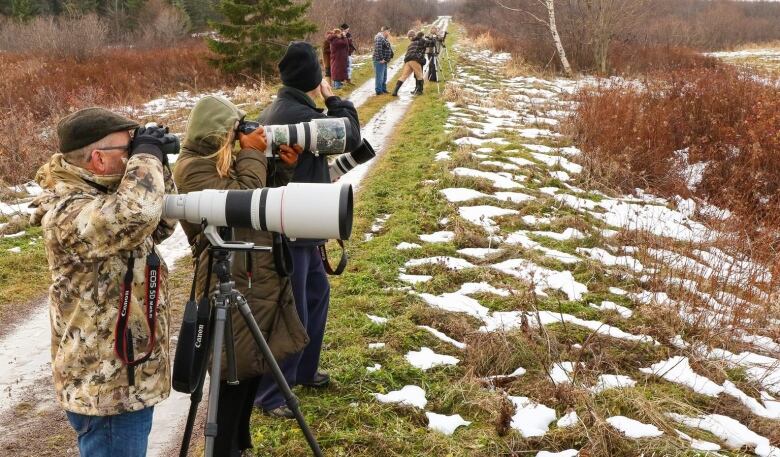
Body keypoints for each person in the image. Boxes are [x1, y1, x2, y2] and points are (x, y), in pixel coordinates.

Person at [30, 107, 177, 457]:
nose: (131, 159)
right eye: (125, 152)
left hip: (126, 371)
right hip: (106, 386)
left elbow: (159, 222)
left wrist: (156, 161)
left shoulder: (104, 193)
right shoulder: (67, 209)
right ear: (98, 158)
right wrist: (146, 156)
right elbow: (135, 214)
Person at [172, 95, 310, 451]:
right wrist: (251, 152)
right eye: (234, 132)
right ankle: (223, 448)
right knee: (232, 373)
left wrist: (282, 167)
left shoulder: (223, 160)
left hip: (254, 273)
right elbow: (244, 204)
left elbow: (265, 202)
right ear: (216, 132)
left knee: (253, 366)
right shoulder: (191, 167)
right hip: (227, 277)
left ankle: (239, 443)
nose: (239, 138)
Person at [253, 42, 362, 418]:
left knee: (315, 295)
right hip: (291, 225)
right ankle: (271, 394)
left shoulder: (285, 109)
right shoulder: (299, 117)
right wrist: (334, 99)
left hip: (303, 222)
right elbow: (351, 135)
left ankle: (302, 370)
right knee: (291, 308)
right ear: (312, 78)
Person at [392, 30, 427, 97]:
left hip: (407, 60)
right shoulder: (420, 41)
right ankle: (419, 91)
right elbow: (427, 43)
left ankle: (395, 91)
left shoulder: (411, 43)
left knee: (404, 76)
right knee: (419, 75)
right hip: (414, 60)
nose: (410, 38)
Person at [372, 25, 393, 95]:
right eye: (388, 31)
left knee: (384, 76)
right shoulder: (379, 38)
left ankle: (383, 89)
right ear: (385, 31)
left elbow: (387, 48)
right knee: (379, 77)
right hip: (379, 61)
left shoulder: (383, 38)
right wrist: (381, 59)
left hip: (384, 61)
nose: (389, 33)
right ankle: (379, 91)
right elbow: (378, 49)